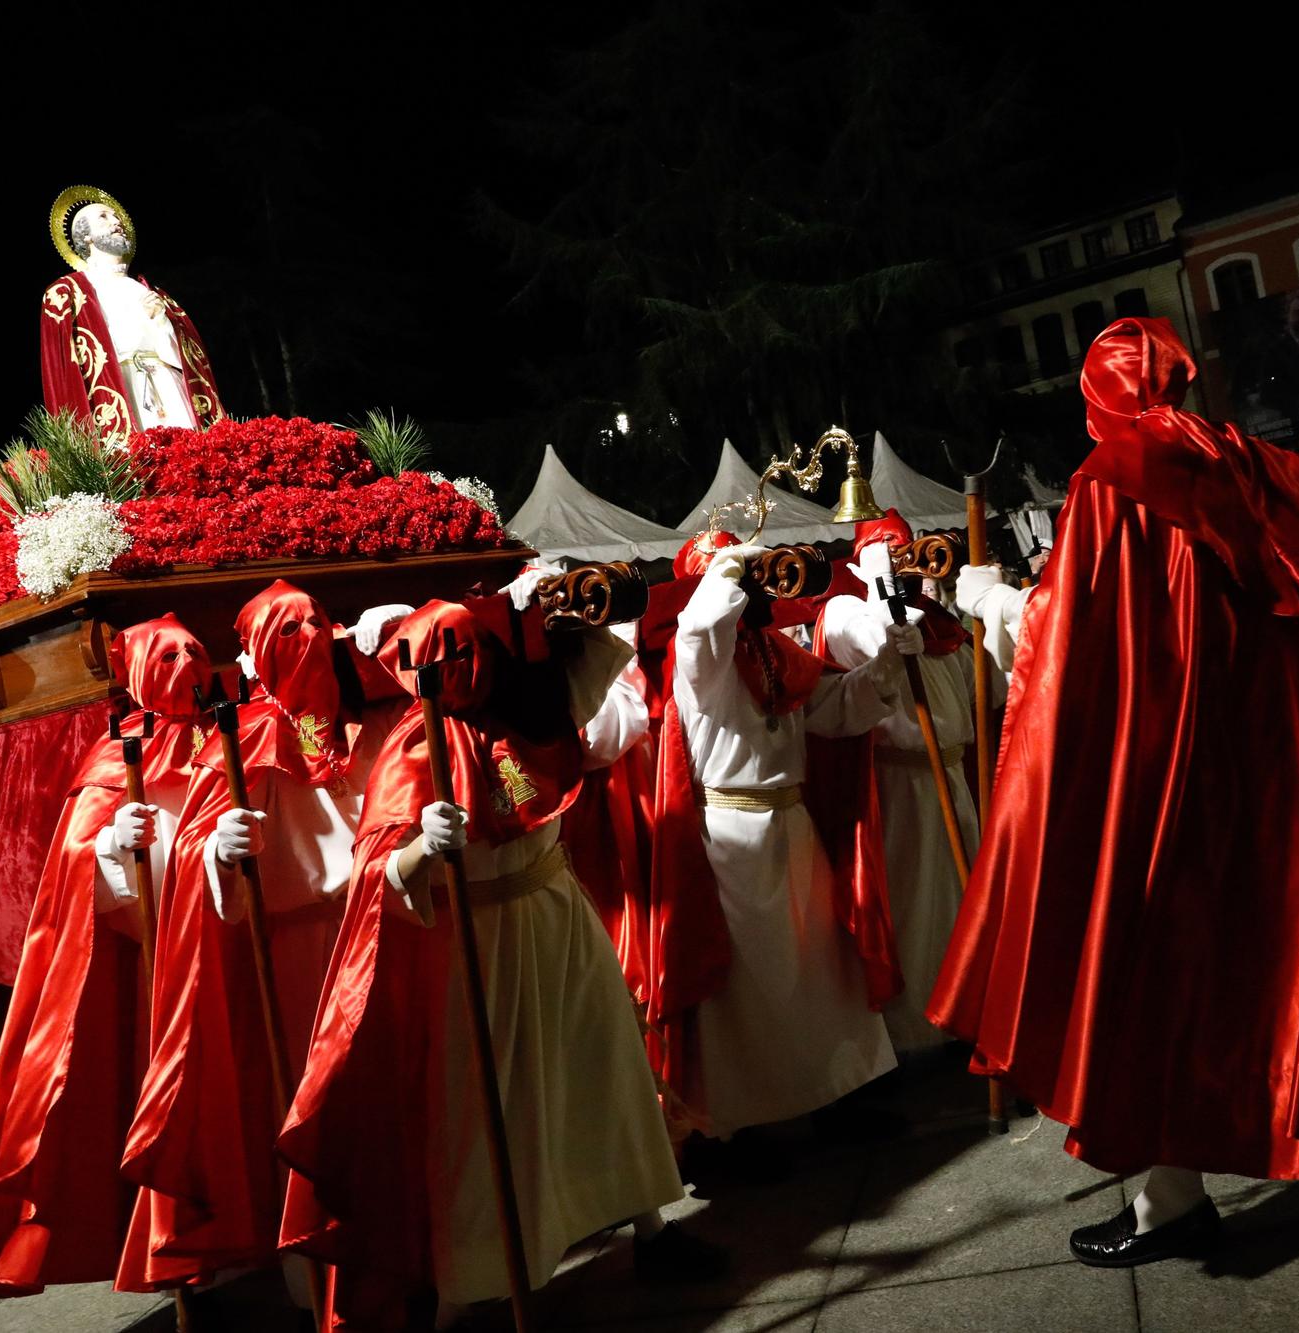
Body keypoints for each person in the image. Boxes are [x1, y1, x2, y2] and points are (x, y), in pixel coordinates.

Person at [939, 317, 1299, 1269]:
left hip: (1175, 784)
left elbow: (1080, 645)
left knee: (1160, 980)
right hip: (1280, 771)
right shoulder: (1259, 466)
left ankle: (1170, 1200)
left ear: (1098, 398)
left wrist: (998, 603)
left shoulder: (1110, 484)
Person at [277, 598, 724, 1328]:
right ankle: (468, 1290)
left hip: (557, 913)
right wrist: (421, 843)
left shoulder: (532, 704)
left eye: (471, 648)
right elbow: (376, 872)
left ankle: (650, 1226)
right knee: (491, 1116)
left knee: (606, 1072)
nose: (464, 667)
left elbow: (599, 655)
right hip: (484, 943)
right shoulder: (413, 746)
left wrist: (540, 610)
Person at [117, 582, 411, 1293]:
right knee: (309, 1109)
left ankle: (398, 1258)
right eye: (287, 630)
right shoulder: (242, 736)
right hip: (295, 952)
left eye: (315, 621)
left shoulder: (354, 718)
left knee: (381, 1106)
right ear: (252, 655)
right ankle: (316, 1281)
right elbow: (191, 851)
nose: (307, 637)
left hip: (367, 931)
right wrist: (219, 848)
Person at [0, 616, 215, 1295]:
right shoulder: (114, 758)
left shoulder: (229, 734)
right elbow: (74, 869)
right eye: (167, 653)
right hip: (154, 954)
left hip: (217, 935)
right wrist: (115, 843)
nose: (186, 663)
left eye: (196, 651)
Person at [659, 530, 914, 1146]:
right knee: (756, 989)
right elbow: (698, 634)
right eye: (741, 580)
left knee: (821, 975)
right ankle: (754, 1126)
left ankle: (834, 1096)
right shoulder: (699, 663)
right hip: (734, 838)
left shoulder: (777, 654)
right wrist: (723, 574)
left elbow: (835, 708)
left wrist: (888, 663)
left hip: (792, 826)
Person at [815, 510, 988, 1056]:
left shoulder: (940, 625)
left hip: (954, 773)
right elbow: (868, 641)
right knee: (919, 904)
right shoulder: (847, 612)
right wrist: (888, 595)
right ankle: (921, 1028)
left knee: (967, 899)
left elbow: (984, 690)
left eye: (904, 550)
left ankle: (978, 1010)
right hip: (904, 783)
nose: (902, 562)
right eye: (887, 553)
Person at [41, 187, 223, 446]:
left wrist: (160, 321)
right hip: (120, 391)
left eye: (117, 217)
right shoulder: (68, 293)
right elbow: (64, 372)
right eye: (104, 217)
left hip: (170, 390)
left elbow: (188, 360)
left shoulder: (151, 291)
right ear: (86, 237)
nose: (117, 222)